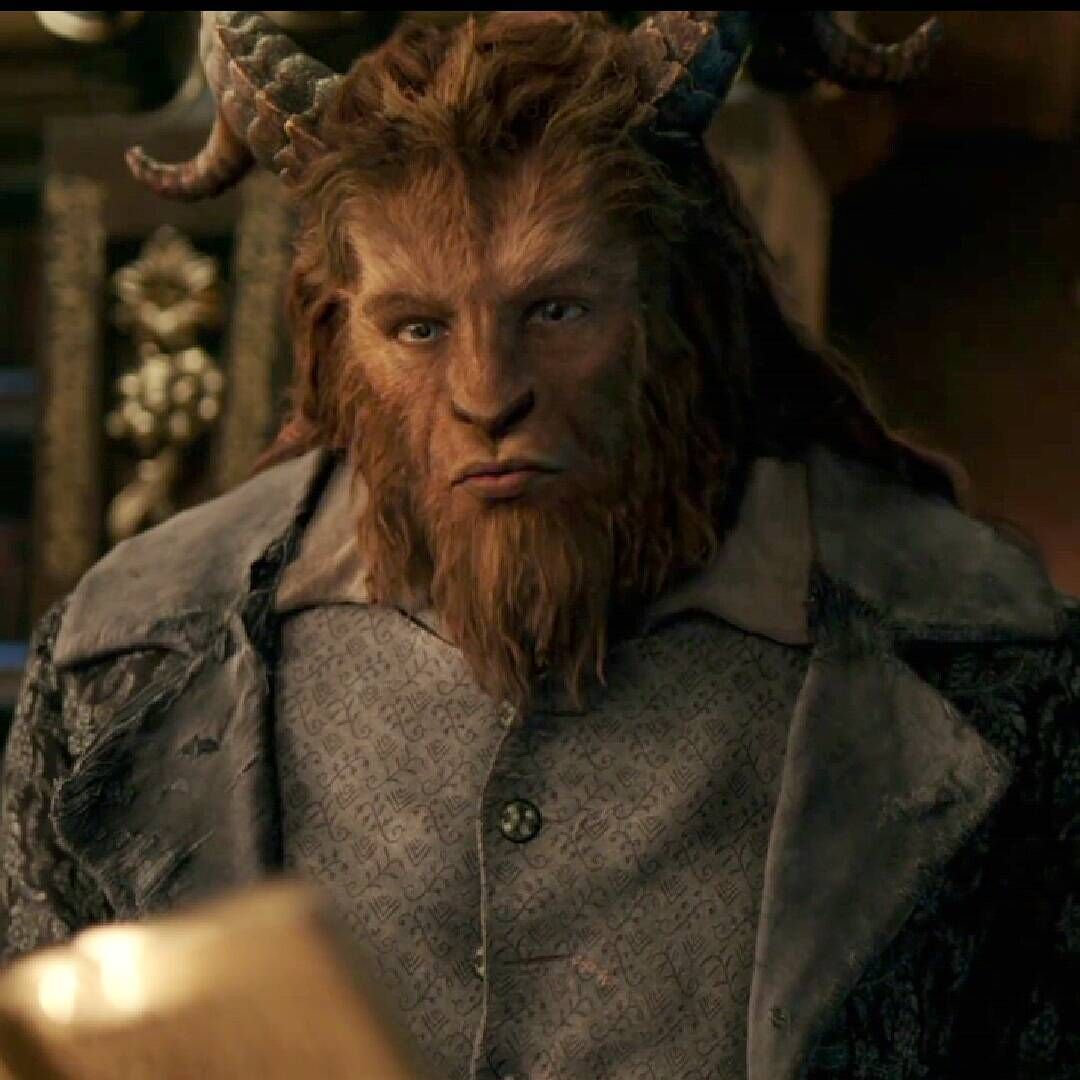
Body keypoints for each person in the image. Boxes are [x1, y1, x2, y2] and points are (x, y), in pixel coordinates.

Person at [2, 12, 1076, 1079]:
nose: (487, 394)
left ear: (681, 310)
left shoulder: (983, 665)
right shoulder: (128, 659)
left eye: (557, 311)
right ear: (338, 338)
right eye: (418, 328)